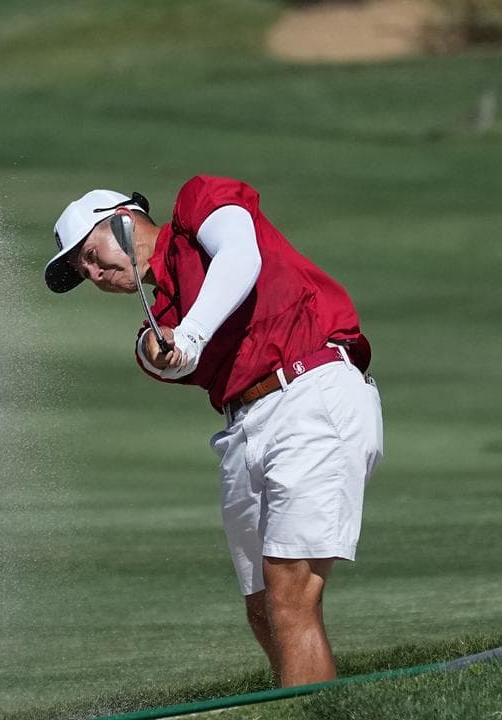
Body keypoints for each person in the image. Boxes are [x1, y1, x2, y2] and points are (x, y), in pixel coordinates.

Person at [44, 177, 383, 687]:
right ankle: (303, 700)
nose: (93, 274)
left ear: (121, 219)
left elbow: (240, 252)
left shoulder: (197, 204)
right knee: (264, 607)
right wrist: (167, 347)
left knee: (290, 593)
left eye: (91, 254)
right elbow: (160, 358)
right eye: (83, 271)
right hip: (244, 429)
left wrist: (194, 334)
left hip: (313, 389)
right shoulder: (159, 322)